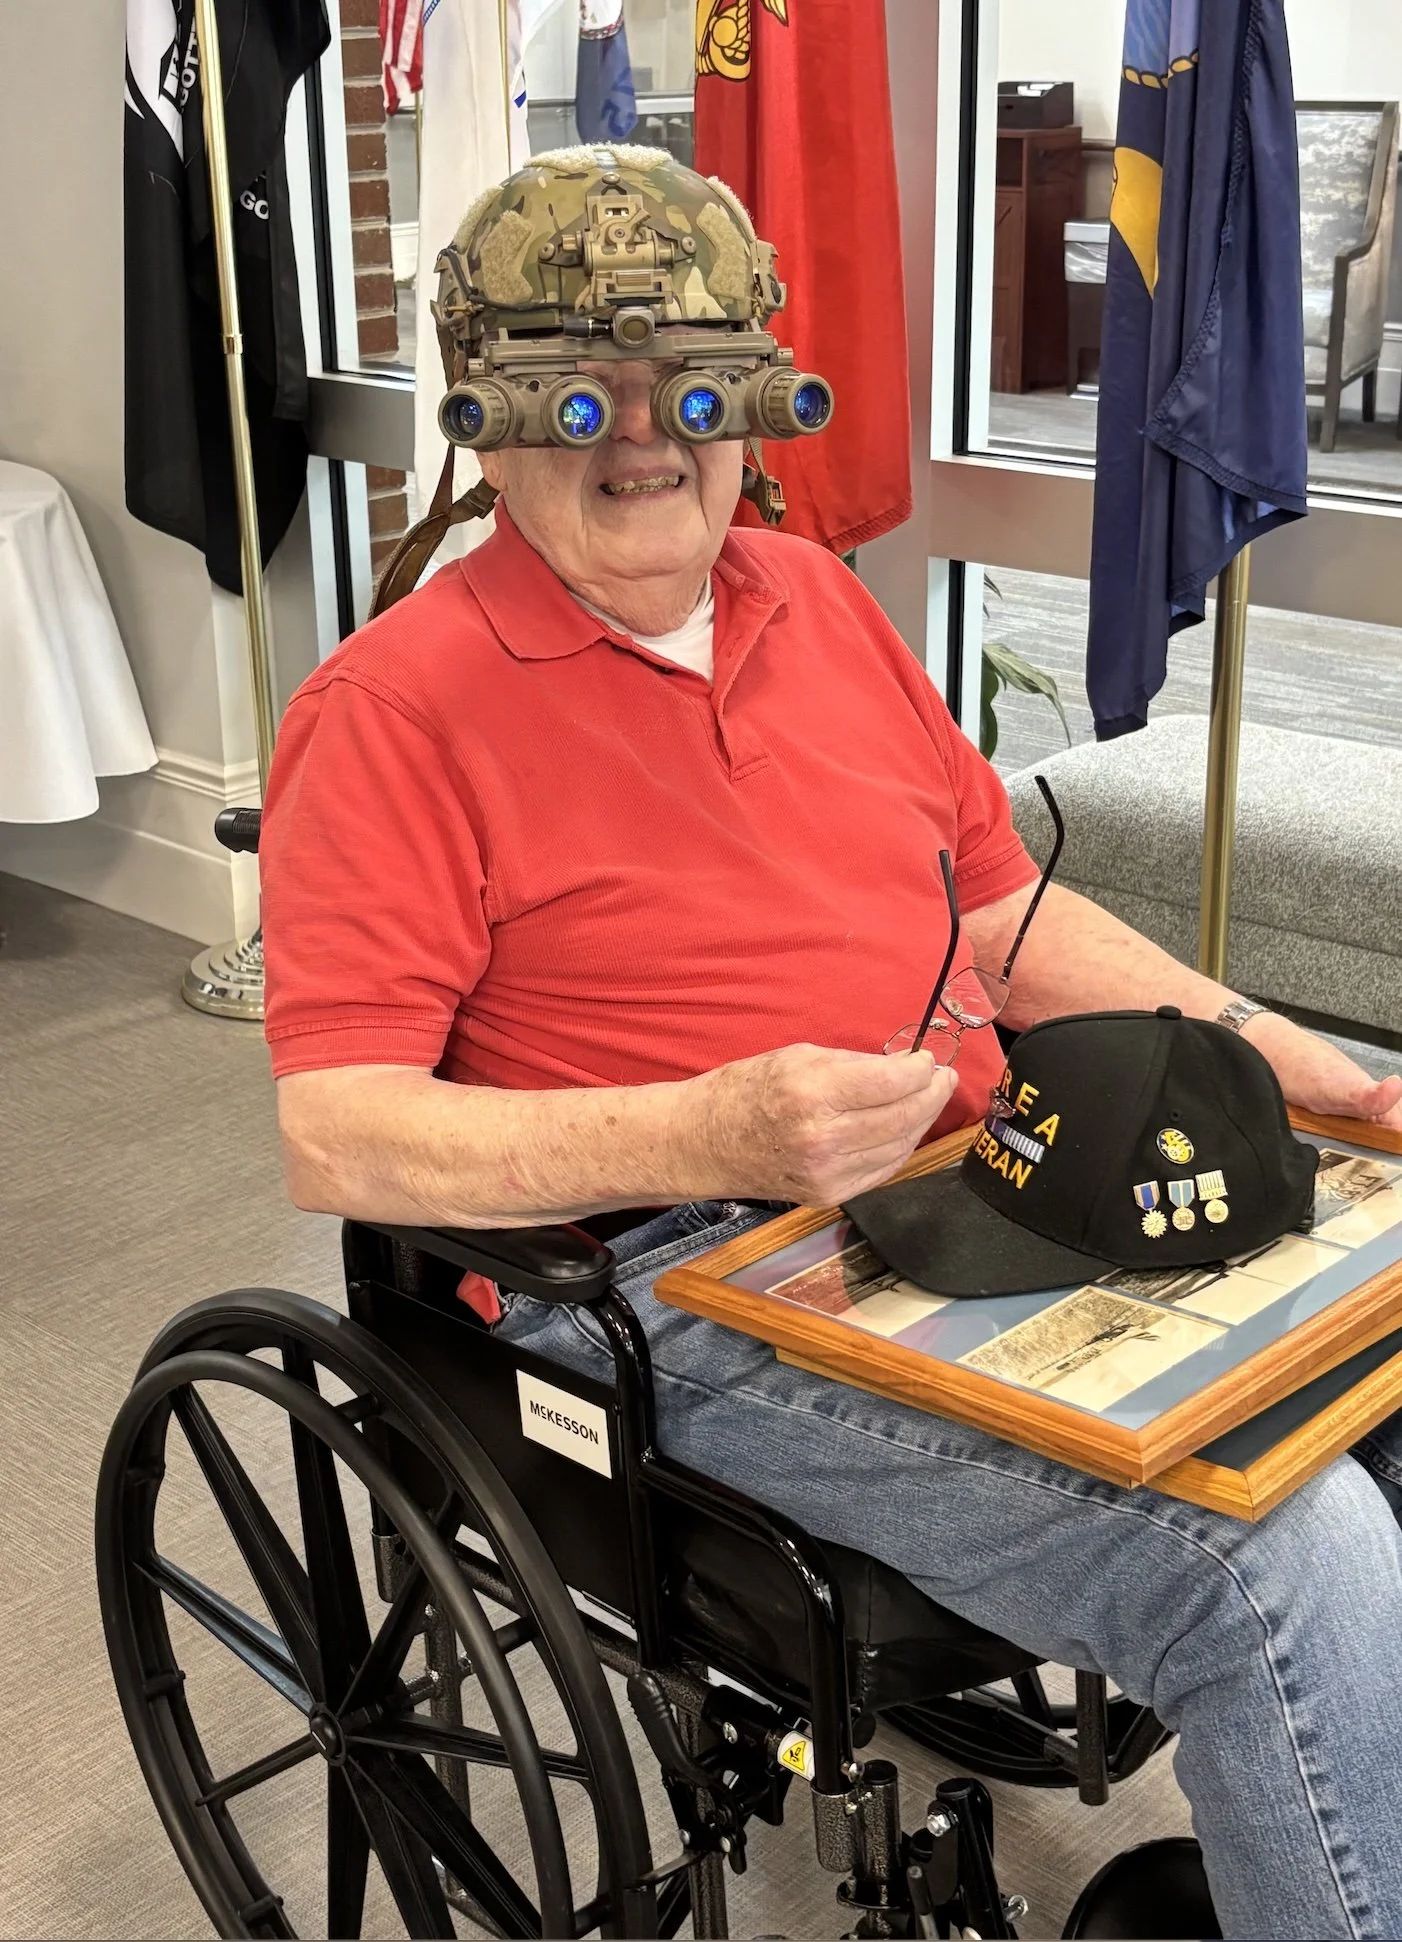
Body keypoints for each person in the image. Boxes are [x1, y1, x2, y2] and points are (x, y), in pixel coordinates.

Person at [260, 147, 1402, 1941]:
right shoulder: (390, 712)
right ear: (486, 419)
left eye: (693, 386)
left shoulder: (818, 602)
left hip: (975, 1189)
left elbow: (997, 921)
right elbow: (341, 1133)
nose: (646, 438)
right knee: (1279, 1563)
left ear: (756, 401)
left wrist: (1278, 1048)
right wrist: (715, 1130)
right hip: (670, 1284)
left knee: (1381, 1387)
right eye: (579, 393)